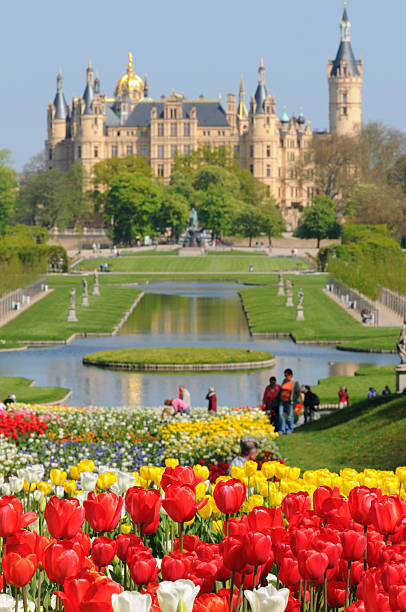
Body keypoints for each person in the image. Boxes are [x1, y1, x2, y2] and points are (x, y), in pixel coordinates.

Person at [278, 369, 301, 434]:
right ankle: (282, 429)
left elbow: (297, 392)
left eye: (286, 375)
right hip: (282, 401)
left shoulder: (295, 382)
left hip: (289, 402)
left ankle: (290, 429)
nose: (285, 377)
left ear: (290, 375)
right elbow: (281, 389)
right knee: (281, 414)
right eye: (284, 375)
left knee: (290, 416)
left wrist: (293, 400)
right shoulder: (284, 381)